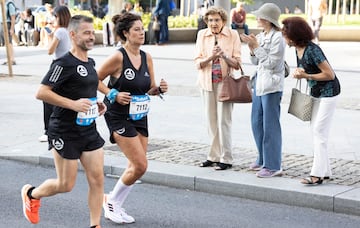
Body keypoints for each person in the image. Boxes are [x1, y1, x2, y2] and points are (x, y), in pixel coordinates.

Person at [21, 15, 106, 228]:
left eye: (92, 32)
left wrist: (97, 104)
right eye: (86, 33)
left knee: (97, 180)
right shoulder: (63, 63)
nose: (91, 36)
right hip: (64, 131)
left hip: (88, 130)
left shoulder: (91, 63)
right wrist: (73, 104)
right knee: (66, 184)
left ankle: (95, 225)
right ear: (73, 35)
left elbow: (85, 90)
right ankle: (32, 194)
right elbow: (41, 92)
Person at [97, 12, 168, 224]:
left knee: (136, 166)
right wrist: (112, 94)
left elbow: (150, 88)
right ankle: (111, 204)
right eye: (136, 29)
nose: (142, 32)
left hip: (139, 114)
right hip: (117, 115)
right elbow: (94, 79)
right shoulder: (118, 57)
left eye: (142, 28)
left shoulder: (147, 57)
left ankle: (112, 201)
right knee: (140, 165)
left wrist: (159, 89)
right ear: (126, 33)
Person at [281, 16, 341, 185]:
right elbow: (306, 67)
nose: (283, 37)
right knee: (315, 130)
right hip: (315, 92)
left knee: (319, 132)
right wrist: (301, 72)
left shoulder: (313, 49)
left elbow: (330, 74)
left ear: (294, 35)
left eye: (285, 33)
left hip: (329, 93)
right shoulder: (297, 48)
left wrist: (306, 75)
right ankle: (325, 170)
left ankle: (317, 174)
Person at [240, 3, 285, 178]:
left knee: (270, 125)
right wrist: (252, 48)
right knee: (256, 122)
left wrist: (256, 47)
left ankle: (273, 165)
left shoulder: (278, 38)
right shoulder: (262, 35)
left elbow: (271, 63)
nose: (257, 18)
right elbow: (255, 62)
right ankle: (262, 158)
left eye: (259, 16)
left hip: (272, 86)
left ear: (267, 19)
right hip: (259, 82)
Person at [195, 6, 241, 171]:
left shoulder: (232, 35)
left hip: (225, 83)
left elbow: (237, 63)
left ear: (223, 21)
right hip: (207, 83)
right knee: (211, 121)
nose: (213, 23)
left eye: (217, 20)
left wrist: (223, 56)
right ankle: (213, 156)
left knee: (224, 121)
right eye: (210, 20)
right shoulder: (202, 35)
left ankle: (226, 158)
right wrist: (211, 57)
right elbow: (197, 63)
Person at [39, 5, 72, 142]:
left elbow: (50, 51)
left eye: (55, 16)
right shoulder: (70, 31)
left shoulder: (59, 32)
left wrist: (49, 36)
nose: (53, 19)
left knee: (47, 97)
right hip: (70, 64)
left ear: (60, 17)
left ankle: (48, 131)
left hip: (58, 66)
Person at [2, 0, 17, 65]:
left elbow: (13, 17)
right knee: (6, 43)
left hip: (7, 23)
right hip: (2, 23)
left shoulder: (9, 4)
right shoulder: (3, 3)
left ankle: (12, 59)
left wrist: (12, 28)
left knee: (9, 42)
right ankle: (8, 59)